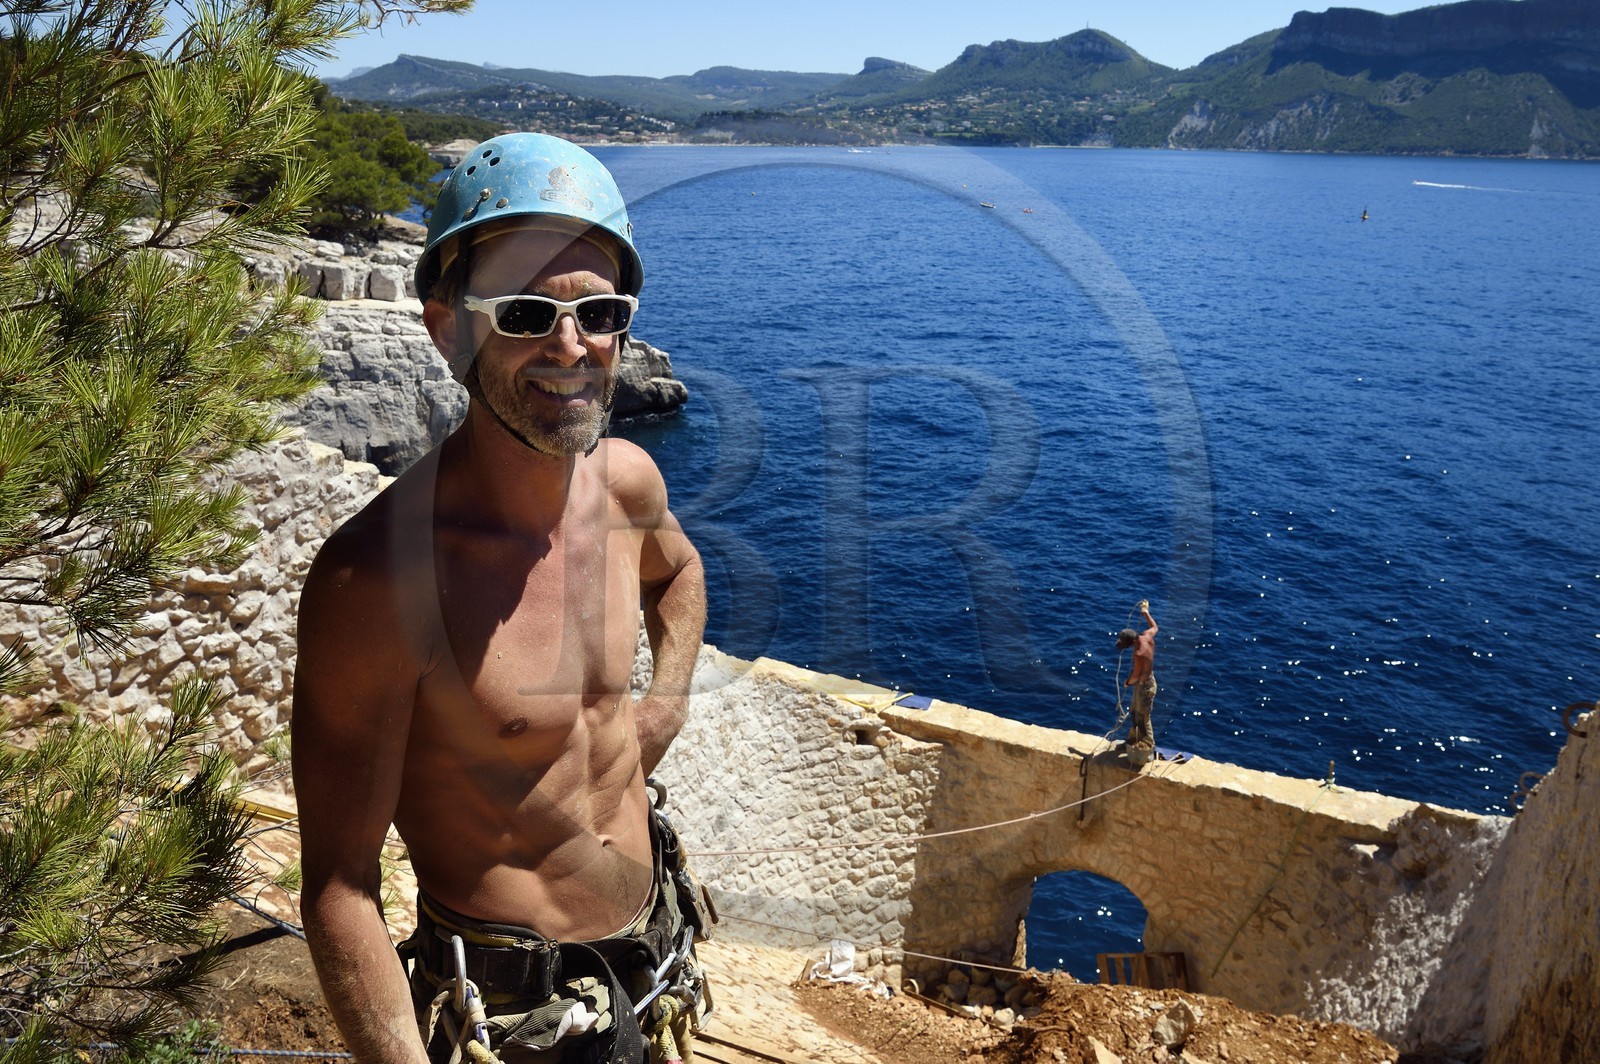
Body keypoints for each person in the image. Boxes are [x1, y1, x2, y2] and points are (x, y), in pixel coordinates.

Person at [291, 133, 709, 1064]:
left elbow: (679, 575)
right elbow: (340, 888)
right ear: (449, 331)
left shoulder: (628, 485)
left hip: (654, 954)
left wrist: (666, 704)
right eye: (524, 314)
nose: (571, 345)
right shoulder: (380, 583)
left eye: (600, 312)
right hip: (510, 1019)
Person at [1116, 600, 1158, 768]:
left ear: (1130, 644)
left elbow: (1136, 674)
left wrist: (1127, 683)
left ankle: (1148, 749)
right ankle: (1132, 740)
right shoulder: (1146, 636)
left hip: (1145, 686)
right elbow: (1155, 627)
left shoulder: (1139, 654)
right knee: (1134, 711)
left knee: (1143, 718)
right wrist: (1146, 613)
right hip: (1143, 684)